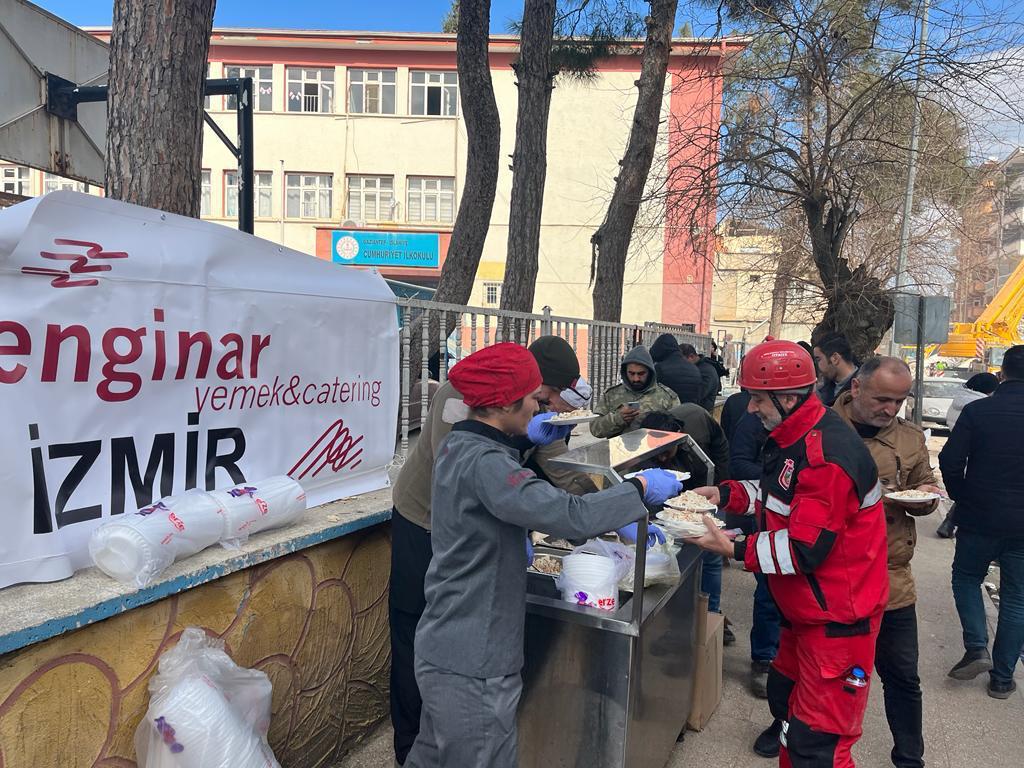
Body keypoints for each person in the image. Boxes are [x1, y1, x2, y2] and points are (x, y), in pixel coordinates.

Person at [404, 343, 681, 768]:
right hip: (475, 657)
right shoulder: (488, 463)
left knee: (432, 755)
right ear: (503, 404)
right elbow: (567, 514)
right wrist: (638, 491)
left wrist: (523, 443)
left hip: (446, 643)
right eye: (533, 400)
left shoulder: (464, 445)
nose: (540, 408)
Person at [389, 335, 599, 765]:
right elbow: (457, 464)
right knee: (417, 634)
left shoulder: (528, 406)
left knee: (457, 637)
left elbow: (558, 468)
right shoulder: (461, 395)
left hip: (483, 521)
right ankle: (411, 742)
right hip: (425, 520)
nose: (550, 406)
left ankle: (445, 734)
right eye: (547, 397)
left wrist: (593, 510)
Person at [684, 338, 889, 766]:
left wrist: (735, 547)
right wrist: (725, 494)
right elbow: (780, 497)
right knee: (785, 704)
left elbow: (803, 549)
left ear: (789, 397)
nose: (752, 408)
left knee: (820, 745)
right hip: (804, 615)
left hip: (837, 625)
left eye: (758, 399)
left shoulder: (826, 455)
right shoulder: (793, 435)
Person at [833, 357, 943, 768]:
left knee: (901, 676)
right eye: (882, 399)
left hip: (890, 577)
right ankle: (791, 729)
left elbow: (922, 487)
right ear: (856, 388)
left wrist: (927, 494)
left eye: (899, 402)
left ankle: (910, 756)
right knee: (817, 669)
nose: (889, 409)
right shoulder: (822, 429)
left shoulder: (911, 439)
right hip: (831, 575)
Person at [939, 344, 1024, 700]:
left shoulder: (978, 411)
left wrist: (963, 496)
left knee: (966, 577)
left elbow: (949, 460)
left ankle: (977, 645)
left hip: (980, 516)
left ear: (1002, 374)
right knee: (1018, 598)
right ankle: (1002, 679)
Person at [936, 372, 999, 539]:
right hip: (974, 459)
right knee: (969, 497)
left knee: (965, 495)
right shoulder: (977, 407)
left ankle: (948, 524)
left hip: (961, 453)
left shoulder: (959, 402)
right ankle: (948, 523)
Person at [590, 344, 680, 439]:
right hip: (619, 451)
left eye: (641, 374)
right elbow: (595, 429)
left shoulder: (667, 397)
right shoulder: (611, 395)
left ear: (650, 372)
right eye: (631, 373)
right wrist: (618, 418)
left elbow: (677, 430)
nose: (636, 379)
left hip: (654, 451)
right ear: (625, 372)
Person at [649, 333, 704, 405]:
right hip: (690, 412)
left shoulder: (659, 368)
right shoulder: (694, 369)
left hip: (669, 412)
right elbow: (698, 396)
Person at [813, 332, 859, 407]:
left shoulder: (863, 389)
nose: (817, 366)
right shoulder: (824, 390)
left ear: (835, 358)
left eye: (818, 360)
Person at [681, 343, 724, 412]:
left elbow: (698, 394)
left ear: (691, 357)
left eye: (683, 361)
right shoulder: (700, 368)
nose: (682, 364)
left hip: (700, 414)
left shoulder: (706, 371)